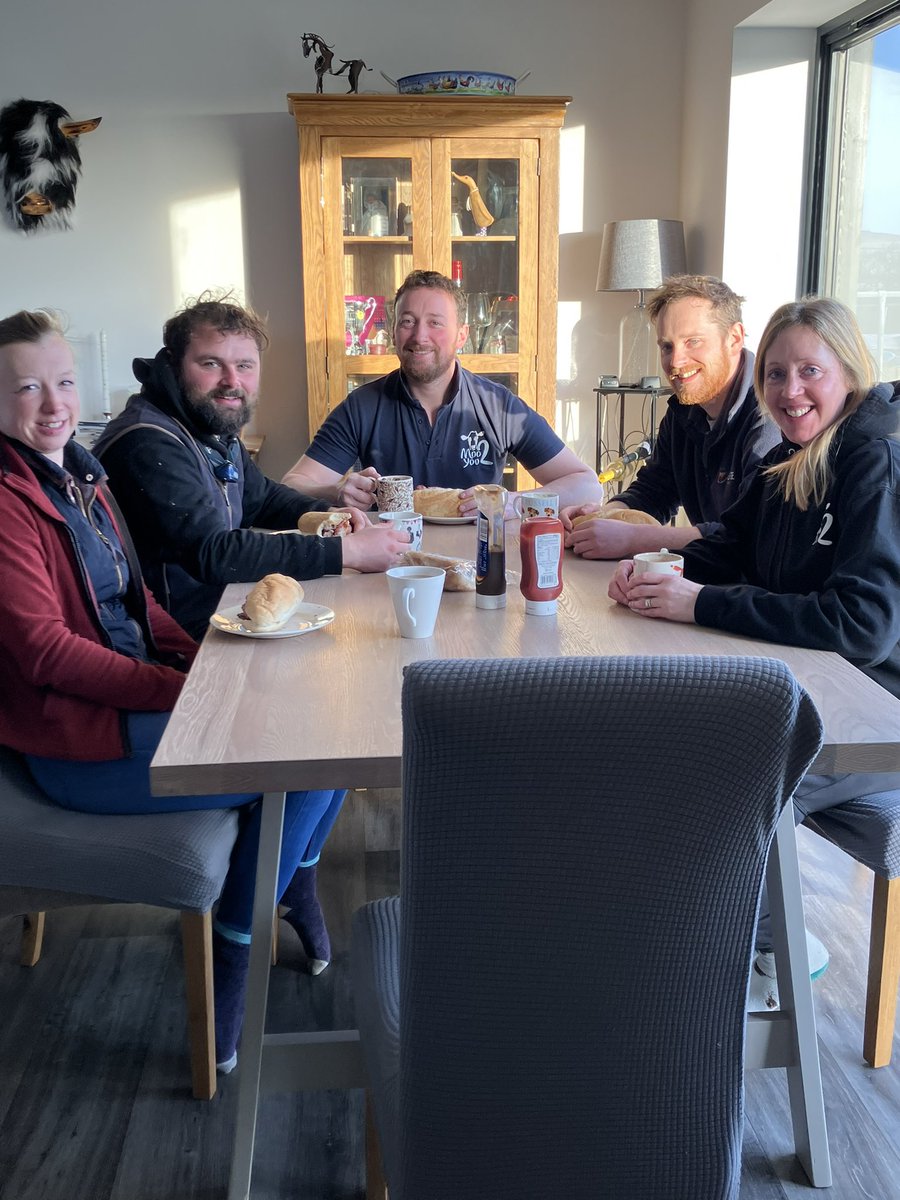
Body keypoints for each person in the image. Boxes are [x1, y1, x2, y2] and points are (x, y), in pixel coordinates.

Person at [0, 309, 350, 1073]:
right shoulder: (8, 502)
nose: (56, 403)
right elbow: (45, 652)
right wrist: (176, 689)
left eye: (64, 382)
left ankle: (279, 889)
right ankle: (241, 942)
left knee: (328, 729)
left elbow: (137, 598)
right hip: (78, 742)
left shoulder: (79, 475)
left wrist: (199, 663)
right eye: (29, 387)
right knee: (314, 750)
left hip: (127, 704)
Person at [609, 296, 900, 1007]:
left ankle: (753, 956)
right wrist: (660, 573)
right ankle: (701, 937)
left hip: (876, 720)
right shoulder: (792, 462)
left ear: (849, 372)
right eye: (775, 373)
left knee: (718, 781)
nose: (789, 390)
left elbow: (864, 625)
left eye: (809, 370)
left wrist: (700, 602)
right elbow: (725, 548)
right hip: (807, 691)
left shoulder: (872, 460)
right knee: (669, 750)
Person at [94, 293, 407, 641]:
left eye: (244, 365)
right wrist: (348, 551)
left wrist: (333, 515)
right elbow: (212, 552)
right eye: (211, 364)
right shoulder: (146, 442)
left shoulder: (205, 426)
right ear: (174, 365)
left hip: (223, 616)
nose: (232, 380)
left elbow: (263, 498)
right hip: (180, 645)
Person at [281, 269, 603, 518]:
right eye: (407, 321)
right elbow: (291, 487)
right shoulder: (362, 407)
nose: (420, 336)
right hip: (389, 567)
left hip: (479, 569)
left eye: (435, 323)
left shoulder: (499, 407)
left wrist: (511, 503)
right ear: (393, 332)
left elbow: (587, 486)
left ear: (461, 335)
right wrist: (337, 491)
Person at [562, 274, 781, 558]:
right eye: (667, 346)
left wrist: (637, 539)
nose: (675, 362)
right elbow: (656, 490)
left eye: (693, 342)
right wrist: (606, 515)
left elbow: (748, 533)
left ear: (734, 338)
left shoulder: (771, 413)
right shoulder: (685, 407)